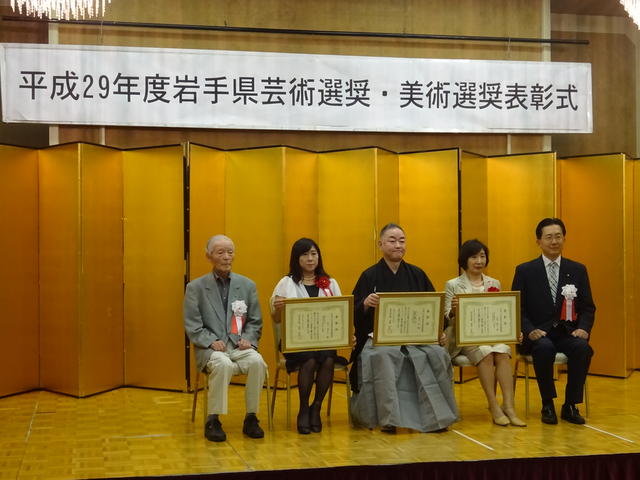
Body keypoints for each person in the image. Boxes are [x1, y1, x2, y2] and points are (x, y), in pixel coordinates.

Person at [349, 223, 458, 433]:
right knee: (383, 356)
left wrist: (439, 332)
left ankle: (436, 417)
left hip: (415, 337)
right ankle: (389, 418)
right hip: (381, 339)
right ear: (380, 244)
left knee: (436, 354)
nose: (398, 245)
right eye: (392, 240)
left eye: (402, 240)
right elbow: (354, 313)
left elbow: (433, 308)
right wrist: (365, 304)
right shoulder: (369, 276)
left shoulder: (417, 274)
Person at [184, 234, 267, 442]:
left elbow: (255, 321)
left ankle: (251, 417)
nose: (226, 257)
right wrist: (210, 341)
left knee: (258, 361)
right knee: (222, 364)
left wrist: (249, 339)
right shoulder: (195, 288)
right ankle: (213, 419)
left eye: (230, 252)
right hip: (211, 349)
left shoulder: (247, 285)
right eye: (220, 252)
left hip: (238, 346)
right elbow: (193, 326)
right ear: (209, 256)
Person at [511, 218, 595, 425]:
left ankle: (570, 405)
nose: (554, 241)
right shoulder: (525, 270)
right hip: (537, 334)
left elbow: (587, 307)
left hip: (567, 332)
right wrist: (529, 330)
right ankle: (547, 403)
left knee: (582, 348)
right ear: (538, 241)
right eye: (548, 237)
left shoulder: (577, 269)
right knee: (544, 348)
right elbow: (517, 307)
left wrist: (583, 328)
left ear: (564, 239)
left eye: (558, 236)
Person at [444, 239, 526, 427]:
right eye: (474, 257)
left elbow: (502, 312)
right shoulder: (453, 284)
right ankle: (493, 405)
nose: (479, 260)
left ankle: (509, 406)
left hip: (491, 334)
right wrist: (454, 310)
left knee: (503, 350)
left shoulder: (494, 282)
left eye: (482, 256)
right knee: (485, 353)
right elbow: (447, 317)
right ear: (465, 260)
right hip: (465, 338)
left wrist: (513, 332)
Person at [270, 238, 344, 434]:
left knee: (328, 358)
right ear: (296, 258)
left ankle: (316, 407)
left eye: (313, 254)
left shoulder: (330, 283)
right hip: (295, 341)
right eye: (304, 254)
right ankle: (303, 408)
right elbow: (276, 319)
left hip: (324, 338)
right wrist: (279, 308)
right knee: (310, 359)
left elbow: (341, 314)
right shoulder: (286, 283)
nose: (310, 259)